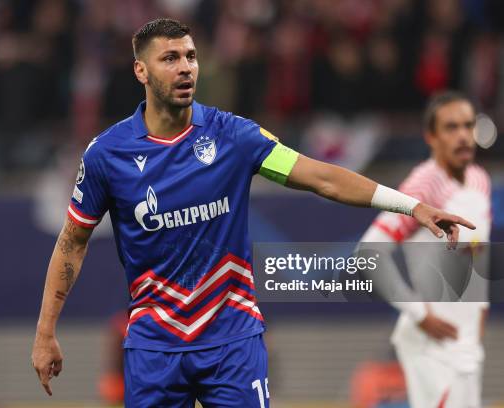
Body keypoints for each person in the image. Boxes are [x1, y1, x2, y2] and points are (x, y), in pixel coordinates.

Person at [31, 19, 474, 407]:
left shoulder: (234, 136)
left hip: (233, 341)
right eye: (170, 58)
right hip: (154, 347)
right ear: (141, 71)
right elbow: (72, 242)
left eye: (191, 56)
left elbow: (322, 177)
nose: (185, 67)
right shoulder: (108, 155)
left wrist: (411, 205)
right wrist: (46, 331)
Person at [360, 91, 491, 407]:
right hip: (433, 345)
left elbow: (477, 255)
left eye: (468, 125)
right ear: (431, 137)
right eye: (451, 127)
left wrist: (478, 314)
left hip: (466, 344)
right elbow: (368, 252)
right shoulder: (425, 184)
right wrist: (418, 313)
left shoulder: (480, 180)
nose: (463, 135)